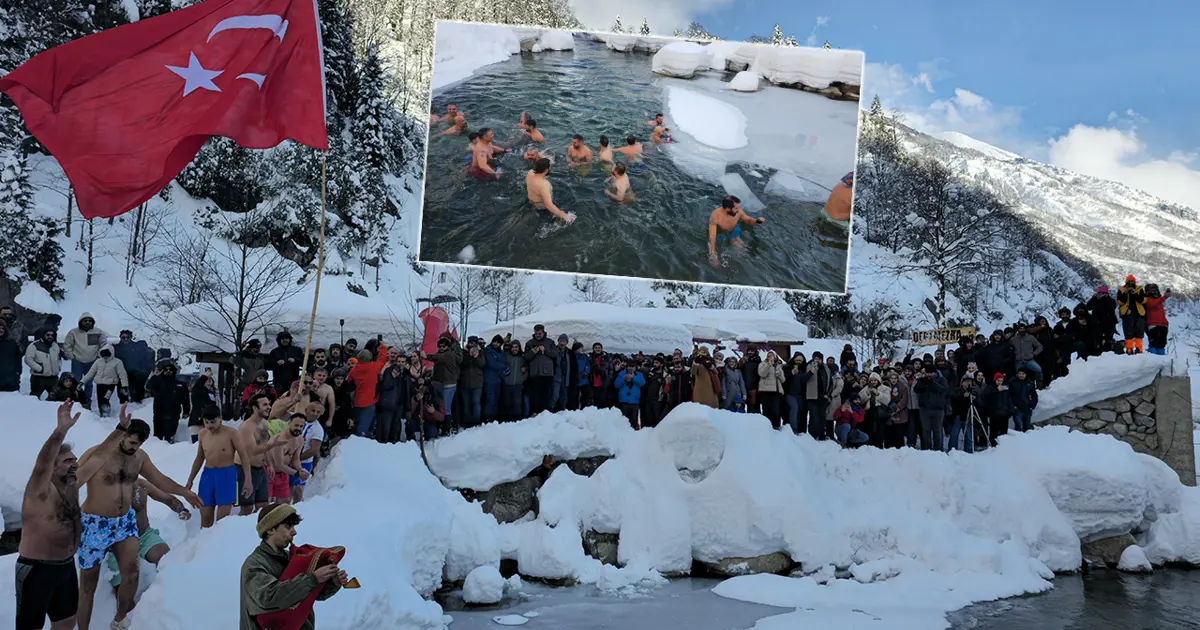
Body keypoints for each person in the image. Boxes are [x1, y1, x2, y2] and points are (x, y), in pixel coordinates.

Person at [75, 408, 202, 630]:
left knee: (131, 574)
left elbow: (160, 480)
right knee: (88, 585)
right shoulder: (98, 454)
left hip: (123, 523)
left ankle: (120, 620)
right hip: (95, 523)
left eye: (139, 445)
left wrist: (185, 492)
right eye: (132, 443)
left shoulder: (139, 458)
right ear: (123, 435)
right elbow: (72, 482)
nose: (135, 448)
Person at [14, 401, 84, 630]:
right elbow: (42, 465)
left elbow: (99, 457)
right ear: (53, 467)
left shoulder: (70, 486)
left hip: (65, 567)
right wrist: (60, 431)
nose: (75, 464)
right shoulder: (39, 490)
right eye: (67, 461)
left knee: (66, 622)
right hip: (37, 569)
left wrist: (121, 431)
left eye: (75, 459)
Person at [239, 504, 347, 630]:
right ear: (270, 530)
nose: (294, 532)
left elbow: (309, 595)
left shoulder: (290, 557)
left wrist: (332, 583)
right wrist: (312, 579)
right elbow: (269, 597)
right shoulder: (254, 564)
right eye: (288, 526)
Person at [103, 479, 191, 595]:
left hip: (144, 535)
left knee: (167, 559)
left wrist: (181, 509)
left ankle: (170, 598)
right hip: (119, 543)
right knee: (123, 593)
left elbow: (168, 499)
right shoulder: (105, 489)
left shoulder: (141, 485)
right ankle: (128, 612)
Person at [186, 404, 255, 528]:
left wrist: (248, 480)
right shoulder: (202, 434)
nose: (210, 426)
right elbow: (199, 458)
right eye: (206, 422)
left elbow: (244, 456)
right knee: (205, 516)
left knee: (222, 521)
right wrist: (190, 480)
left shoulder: (231, 433)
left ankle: (218, 541)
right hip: (208, 475)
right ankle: (203, 543)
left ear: (220, 419)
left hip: (227, 475)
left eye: (213, 422)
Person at [240, 395, 293, 515]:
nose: (269, 407)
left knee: (263, 506)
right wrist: (273, 444)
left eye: (269, 404)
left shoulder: (264, 423)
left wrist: (269, 464)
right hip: (245, 470)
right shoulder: (246, 428)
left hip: (261, 468)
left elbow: (265, 445)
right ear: (254, 408)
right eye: (265, 405)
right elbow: (252, 451)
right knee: (247, 508)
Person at [62, 313, 108, 408]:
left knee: (89, 383)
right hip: (77, 362)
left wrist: (99, 357)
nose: (87, 322)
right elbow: (67, 345)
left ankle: (87, 402)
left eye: (89, 320)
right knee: (75, 382)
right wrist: (71, 356)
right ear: (81, 321)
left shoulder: (98, 332)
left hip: (92, 362)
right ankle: (76, 401)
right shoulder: (73, 332)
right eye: (85, 320)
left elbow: (104, 345)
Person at [707, 195, 765, 267]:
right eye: (736, 208)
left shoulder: (738, 212)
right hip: (720, 233)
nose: (738, 209)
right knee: (715, 260)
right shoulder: (715, 216)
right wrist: (712, 254)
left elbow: (748, 220)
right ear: (727, 208)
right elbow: (712, 236)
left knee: (740, 249)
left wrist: (757, 221)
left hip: (733, 231)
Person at [267, 415, 308, 505]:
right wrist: (297, 473)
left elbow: (295, 459)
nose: (298, 428)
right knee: (266, 504)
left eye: (301, 426)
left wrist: (301, 470)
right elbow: (279, 464)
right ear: (289, 424)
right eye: (296, 425)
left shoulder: (300, 440)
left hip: (283, 473)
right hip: (269, 472)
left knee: (284, 503)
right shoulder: (280, 440)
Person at [291, 404, 326, 504]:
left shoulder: (317, 429)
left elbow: (313, 450)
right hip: (289, 459)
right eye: (313, 410)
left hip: (304, 462)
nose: (315, 414)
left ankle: (297, 508)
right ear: (306, 410)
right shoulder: (297, 420)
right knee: (288, 487)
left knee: (297, 489)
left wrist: (296, 459)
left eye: (318, 412)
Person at [525, 157, 576, 223]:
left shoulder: (530, 173)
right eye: (550, 167)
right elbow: (549, 205)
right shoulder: (544, 185)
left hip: (530, 203)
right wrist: (564, 216)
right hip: (541, 208)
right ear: (546, 170)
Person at [112, 331, 153, 404]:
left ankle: (137, 401)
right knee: (122, 388)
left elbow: (143, 358)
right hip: (121, 371)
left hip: (134, 370)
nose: (125, 339)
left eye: (128, 337)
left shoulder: (136, 346)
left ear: (131, 338)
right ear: (120, 338)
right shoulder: (116, 348)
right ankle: (123, 402)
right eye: (123, 337)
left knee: (138, 384)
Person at [25, 328, 65, 399]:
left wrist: (58, 367)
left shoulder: (55, 345)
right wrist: (40, 369)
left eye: (52, 335)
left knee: (56, 398)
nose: (50, 337)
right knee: (34, 398)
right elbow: (28, 359)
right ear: (43, 335)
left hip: (53, 378)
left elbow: (59, 358)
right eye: (48, 335)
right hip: (39, 378)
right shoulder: (34, 345)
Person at [1116, 275, 1147, 355]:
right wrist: (1125, 293)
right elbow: (1120, 302)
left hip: (1139, 313)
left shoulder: (1139, 289)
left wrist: (1135, 294)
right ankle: (1129, 349)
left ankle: (1139, 349)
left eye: (1132, 281)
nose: (1131, 283)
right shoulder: (1122, 289)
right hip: (1127, 313)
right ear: (1126, 282)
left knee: (1139, 332)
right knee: (1128, 332)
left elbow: (1143, 300)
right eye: (1129, 281)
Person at [756, 350, 785, 429]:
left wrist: (779, 375)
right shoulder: (763, 364)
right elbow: (761, 374)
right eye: (769, 355)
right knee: (767, 410)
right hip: (766, 391)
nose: (771, 357)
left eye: (772, 355)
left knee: (776, 411)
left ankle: (776, 427)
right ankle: (766, 427)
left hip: (776, 392)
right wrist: (768, 365)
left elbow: (783, 380)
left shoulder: (778, 366)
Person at [613, 362, 646, 429]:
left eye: (632, 366)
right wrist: (623, 379)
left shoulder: (639, 374)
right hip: (624, 402)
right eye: (629, 366)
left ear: (635, 367)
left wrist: (634, 377)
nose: (631, 368)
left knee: (634, 422)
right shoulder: (622, 373)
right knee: (624, 422)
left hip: (634, 402)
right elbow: (616, 385)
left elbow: (642, 383)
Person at [1144, 284, 1172, 355]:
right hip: (1153, 325)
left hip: (1163, 325)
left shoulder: (1159, 301)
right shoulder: (1147, 299)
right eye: (1153, 290)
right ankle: (1153, 362)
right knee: (1154, 343)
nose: (1155, 292)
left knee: (1161, 344)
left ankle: (1161, 361)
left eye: (1155, 290)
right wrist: (1164, 297)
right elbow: (1152, 304)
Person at [1010, 367, 1039, 432]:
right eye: (1019, 373)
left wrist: (1032, 406)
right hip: (1017, 408)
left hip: (1027, 408)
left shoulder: (1030, 383)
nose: (1021, 375)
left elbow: (1034, 396)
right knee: (1018, 427)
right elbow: (1009, 396)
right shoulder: (1013, 382)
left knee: (1027, 428)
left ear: (1026, 374)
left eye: (1023, 374)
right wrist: (1013, 406)